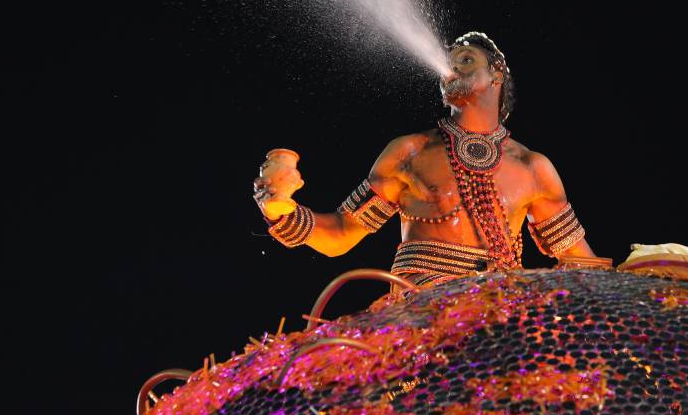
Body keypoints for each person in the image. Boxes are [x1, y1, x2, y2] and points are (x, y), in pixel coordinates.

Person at [252, 31, 598, 287]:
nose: (452, 69)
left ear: (496, 75)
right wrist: (281, 210)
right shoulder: (409, 153)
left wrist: (647, 271)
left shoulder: (533, 168)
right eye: (448, 64)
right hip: (422, 327)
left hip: (500, 327)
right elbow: (343, 232)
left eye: (466, 61)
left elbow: (581, 263)